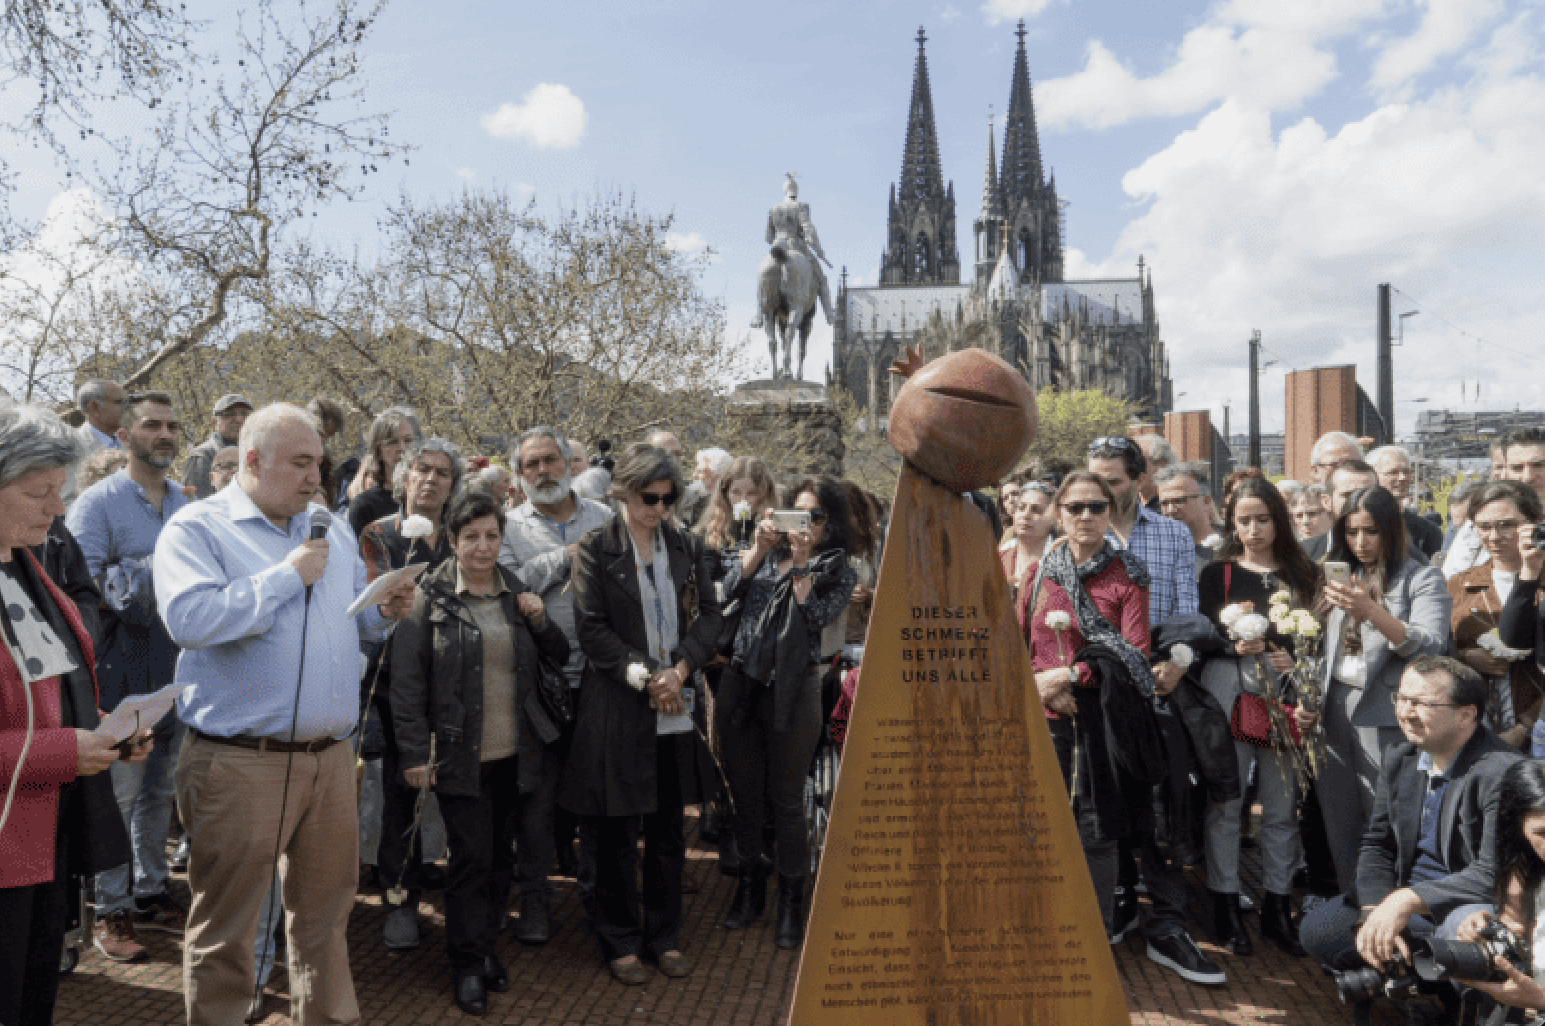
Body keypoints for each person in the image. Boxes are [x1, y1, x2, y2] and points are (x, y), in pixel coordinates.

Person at [154, 403, 416, 1026]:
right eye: (300, 463)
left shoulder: (331, 525)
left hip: (328, 760)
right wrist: (283, 577)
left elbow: (349, 616)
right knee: (228, 931)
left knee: (325, 920)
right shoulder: (197, 528)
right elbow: (190, 622)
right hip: (239, 761)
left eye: (318, 463)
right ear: (251, 459)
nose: (313, 477)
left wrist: (385, 609)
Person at [1016, 469, 1225, 985]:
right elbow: (1017, 643)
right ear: (1058, 513)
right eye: (1075, 507)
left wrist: (1071, 674)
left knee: (1096, 829)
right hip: (1044, 718)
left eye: (1097, 507)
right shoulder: (1038, 573)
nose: (1086, 516)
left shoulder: (1127, 573)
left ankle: (1091, 938)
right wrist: (1039, 684)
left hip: (1101, 719)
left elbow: (1132, 653)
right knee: (1043, 826)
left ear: (1110, 513)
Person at [391, 490, 571, 1016]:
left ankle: (485, 947)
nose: (483, 546)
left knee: (500, 861)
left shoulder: (516, 592)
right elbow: (406, 685)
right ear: (451, 540)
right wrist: (411, 753)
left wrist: (539, 620)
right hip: (457, 754)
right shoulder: (427, 596)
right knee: (470, 860)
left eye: (492, 535)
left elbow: (558, 654)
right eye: (471, 536)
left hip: (519, 752)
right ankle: (467, 964)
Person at [559, 443, 722, 985]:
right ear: (623, 493)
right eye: (648, 498)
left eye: (668, 498)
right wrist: (647, 675)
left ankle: (665, 934)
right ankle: (620, 940)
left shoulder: (687, 545)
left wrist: (679, 669)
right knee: (616, 832)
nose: (659, 508)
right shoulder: (594, 549)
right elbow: (592, 630)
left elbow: (711, 618)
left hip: (675, 706)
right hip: (619, 706)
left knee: (669, 830)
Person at [0, 403, 140, 1026]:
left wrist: (106, 731)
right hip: (9, 833)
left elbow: (50, 684)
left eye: (60, 490)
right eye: (39, 492)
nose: (57, 509)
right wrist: (63, 752)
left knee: (33, 998)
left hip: (45, 827)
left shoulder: (30, 564)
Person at [1299, 657, 1519, 1006]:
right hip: (1410, 902)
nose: (1405, 712)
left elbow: (1494, 873)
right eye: (1401, 699)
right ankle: (1420, 976)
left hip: (1466, 904)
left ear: (1466, 714)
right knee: (1318, 929)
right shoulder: (1402, 756)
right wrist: (1375, 910)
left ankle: (1446, 989)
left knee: (1466, 935)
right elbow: (1378, 844)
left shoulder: (1502, 772)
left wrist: (1406, 901)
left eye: (1422, 703)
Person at [66, 392, 191, 961]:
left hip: (176, 669)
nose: (164, 434)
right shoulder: (95, 505)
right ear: (124, 435)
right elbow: (80, 593)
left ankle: (150, 889)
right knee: (118, 797)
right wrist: (148, 573)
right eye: (151, 425)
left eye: (170, 425)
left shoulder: (186, 503)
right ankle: (109, 911)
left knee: (159, 794)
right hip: (118, 676)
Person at [717, 476, 856, 948]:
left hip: (796, 691)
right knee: (746, 798)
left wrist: (800, 568)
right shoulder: (763, 552)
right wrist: (758, 550)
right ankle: (749, 889)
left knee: (788, 800)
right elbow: (726, 592)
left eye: (815, 517)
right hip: (744, 684)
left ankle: (791, 904)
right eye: (799, 513)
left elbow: (815, 619)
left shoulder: (839, 569)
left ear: (830, 524)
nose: (806, 525)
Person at [1195, 477, 1321, 957]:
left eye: (1262, 519)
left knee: (1282, 806)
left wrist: (1299, 661)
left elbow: (1320, 636)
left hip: (1286, 698)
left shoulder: (1302, 572)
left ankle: (1277, 906)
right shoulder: (1219, 574)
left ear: (1278, 520)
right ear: (1231, 523)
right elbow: (1204, 633)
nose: (1253, 529)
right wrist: (1233, 644)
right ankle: (1225, 904)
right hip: (1231, 692)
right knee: (1228, 803)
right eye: (1243, 520)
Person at [497, 427, 615, 938]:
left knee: (595, 799)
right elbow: (508, 589)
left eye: (551, 460)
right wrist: (564, 558)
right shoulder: (505, 527)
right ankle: (537, 902)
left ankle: (599, 905)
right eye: (531, 465)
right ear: (519, 475)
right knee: (536, 804)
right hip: (538, 685)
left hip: (599, 680)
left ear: (569, 463)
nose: (543, 471)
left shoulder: (605, 519)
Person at [1314, 485, 1452, 892]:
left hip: (1389, 711)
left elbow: (1431, 644)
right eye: (1352, 532)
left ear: (1391, 530)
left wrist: (1372, 611)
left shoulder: (1421, 577)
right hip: (1334, 706)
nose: (1360, 542)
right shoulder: (1340, 573)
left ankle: (1394, 916)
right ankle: (1354, 914)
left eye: (1371, 531)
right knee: (1340, 819)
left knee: (1388, 818)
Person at [358, 438, 462, 951]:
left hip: (455, 684)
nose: (431, 480)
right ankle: (398, 897)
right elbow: (377, 597)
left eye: (442, 473)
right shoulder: (378, 534)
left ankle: (454, 888)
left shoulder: (460, 535)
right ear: (404, 478)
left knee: (460, 795)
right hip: (394, 685)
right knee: (401, 794)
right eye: (422, 470)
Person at [694, 455, 779, 873]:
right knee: (726, 745)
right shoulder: (712, 538)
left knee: (764, 748)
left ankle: (767, 833)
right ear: (723, 495)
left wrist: (777, 543)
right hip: (723, 657)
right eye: (736, 492)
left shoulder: (780, 532)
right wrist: (752, 554)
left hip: (768, 655)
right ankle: (730, 828)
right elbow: (716, 594)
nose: (745, 500)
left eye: (753, 492)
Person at [1447, 481, 1545, 750]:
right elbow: (1439, 650)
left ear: (1534, 523)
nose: (1494, 536)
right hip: (1477, 726)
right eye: (1484, 526)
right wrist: (1466, 655)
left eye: (1506, 524)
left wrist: (1524, 726)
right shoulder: (1459, 584)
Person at [1448, 760, 1545, 1011]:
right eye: (1542, 833)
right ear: (1519, 828)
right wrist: (1489, 928)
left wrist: (1540, 1000)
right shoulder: (1525, 867)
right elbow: (1515, 925)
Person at [347, 407, 422, 536]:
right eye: (392, 442)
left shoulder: (433, 495)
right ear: (378, 451)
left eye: (409, 440)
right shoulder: (364, 505)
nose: (402, 448)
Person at [1369, 445, 1445, 559]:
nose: (1402, 477)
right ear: (1372, 475)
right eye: (1393, 472)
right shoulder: (1355, 524)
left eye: (1406, 471)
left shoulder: (1428, 531)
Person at [62, 379, 126, 505]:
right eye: (119, 402)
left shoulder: (129, 443)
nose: (127, 408)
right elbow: (68, 503)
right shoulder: (71, 446)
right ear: (95, 408)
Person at [1155, 462, 1222, 578]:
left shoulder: (1234, 548)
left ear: (1206, 501)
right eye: (1164, 503)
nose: (1171, 510)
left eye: (1179, 501)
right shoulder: (1154, 552)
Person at [182, 394, 253, 500]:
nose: (239, 419)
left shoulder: (258, 454)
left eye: (245, 414)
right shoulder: (200, 457)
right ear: (214, 422)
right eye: (229, 414)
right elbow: (195, 504)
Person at [1000, 479, 1053, 595]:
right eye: (1021, 508)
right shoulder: (999, 559)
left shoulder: (1063, 562)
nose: (1026, 515)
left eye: (1036, 510)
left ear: (1052, 518)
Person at [1133, 434, 1175, 512]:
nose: (1131, 469)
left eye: (1137, 462)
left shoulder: (1171, 509)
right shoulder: (1127, 507)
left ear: (1161, 465)